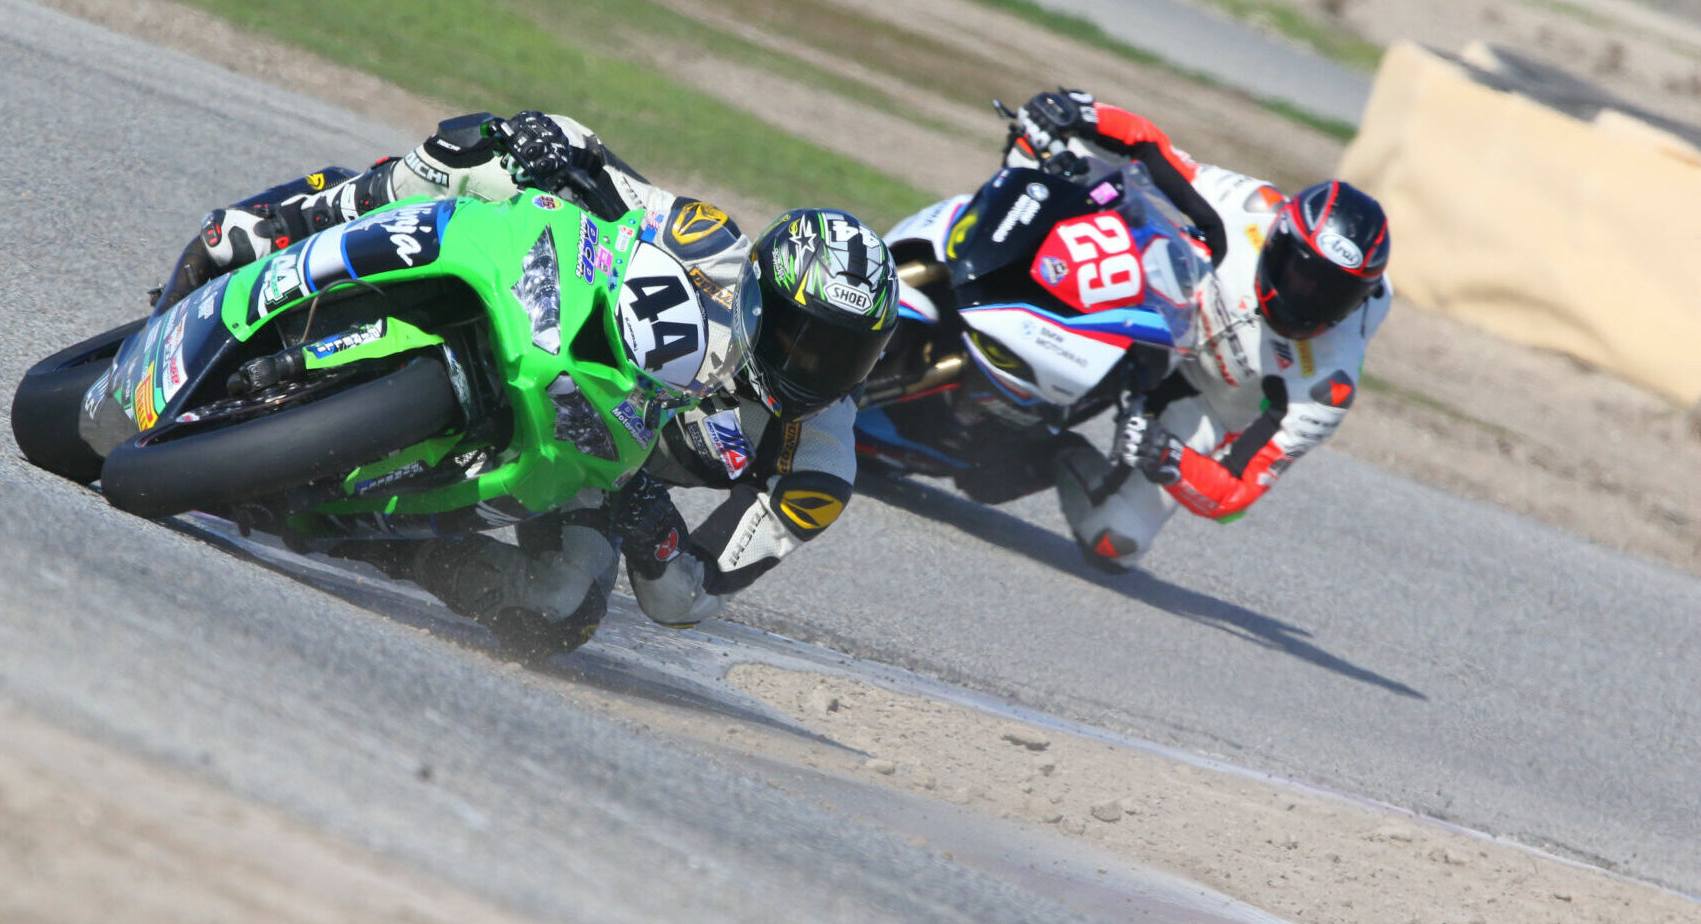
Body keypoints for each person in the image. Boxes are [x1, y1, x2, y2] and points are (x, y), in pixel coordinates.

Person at [151, 111, 898, 654]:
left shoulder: (818, 471)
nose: (813, 367)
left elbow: (690, 599)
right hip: (557, 331)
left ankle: (395, 546)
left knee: (559, 610)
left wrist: (656, 535)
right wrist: (547, 143)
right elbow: (610, 178)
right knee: (477, 151)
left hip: (603, 478)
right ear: (765, 293)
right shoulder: (713, 247)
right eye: (802, 337)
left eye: (844, 356)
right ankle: (287, 224)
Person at [1008, 88, 1392, 573]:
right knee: (1070, 153)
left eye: (1334, 294)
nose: (1308, 298)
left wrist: (1166, 454)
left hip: (1208, 398)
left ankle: (1044, 451)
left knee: (1114, 540)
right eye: (1301, 274)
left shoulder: (1328, 383)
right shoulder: (1250, 211)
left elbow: (1235, 495)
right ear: (1277, 240)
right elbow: (1154, 149)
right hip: (1155, 308)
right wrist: (1081, 112)